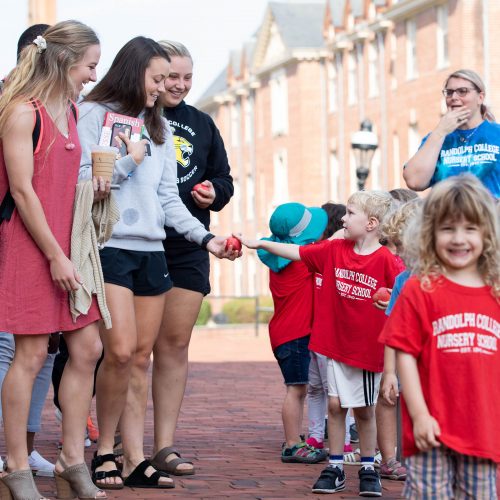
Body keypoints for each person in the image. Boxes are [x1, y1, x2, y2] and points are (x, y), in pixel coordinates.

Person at [77, 36, 238, 491]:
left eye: (171, 78)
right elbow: (89, 181)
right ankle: (103, 450)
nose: (165, 86)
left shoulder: (158, 126)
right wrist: (128, 161)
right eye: (159, 78)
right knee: (121, 350)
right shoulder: (91, 114)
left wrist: (207, 238)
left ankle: (134, 458)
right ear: (136, 74)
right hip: (110, 245)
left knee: (139, 359)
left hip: (154, 251)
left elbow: (168, 198)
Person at [0, 20, 105, 500]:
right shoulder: (24, 112)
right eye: (89, 66)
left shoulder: (72, 110)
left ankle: (70, 459)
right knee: (31, 355)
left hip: (71, 246)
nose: (91, 75)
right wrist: (55, 256)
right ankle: (17, 468)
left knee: (88, 350)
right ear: (64, 61)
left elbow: (65, 179)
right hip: (33, 247)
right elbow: (22, 190)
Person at [239, 190, 399, 497]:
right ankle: (335, 466)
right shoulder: (334, 249)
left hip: (365, 350)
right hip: (332, 345)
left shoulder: (387, 261)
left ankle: (368, 468)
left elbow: (407, 294)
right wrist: (260, 243)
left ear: (372, 223)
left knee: (364, 410)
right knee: (335, 406)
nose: (343, 218)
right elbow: (297, 254)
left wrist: (392, 300)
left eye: (351, 213)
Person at [380, 174, 499, 499]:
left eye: (470, 229)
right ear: (429, 233)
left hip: (482, 429)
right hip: (430, 429)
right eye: (448, 228)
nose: (459, 239)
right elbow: (404, 352)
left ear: (487, 233)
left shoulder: (496, 292)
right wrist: (418, 415)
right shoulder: (420, 289)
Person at [149, 40, 234, 476]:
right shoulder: (137, 115)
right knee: (130, 349)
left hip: (190, 245)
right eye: (171, 77)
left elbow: (224, 178)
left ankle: (164, 444)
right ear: (154, 76)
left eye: (187, 77)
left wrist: (213, 192)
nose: (180, 85)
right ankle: (124, 440)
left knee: (174, 344)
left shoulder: (201, 123)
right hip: (141, 243)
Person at [0, 22, 57, 479]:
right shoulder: (15, 106)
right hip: (13, 234)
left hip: (43, 234)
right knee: (11, 349)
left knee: (41, 351)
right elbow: (20, 186)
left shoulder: (60, 108)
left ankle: (25, 447)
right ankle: (11, 453)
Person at [257, 202, 327, 464]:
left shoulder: (279, 258)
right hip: (296, 335)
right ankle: (292, 444)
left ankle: (293, 439)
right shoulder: (301, 261)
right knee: (296, 390)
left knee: (296, 388)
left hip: (284, 332)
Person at [376, 198, 422, 482]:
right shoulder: (404, 280)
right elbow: (394, 327)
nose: (397, 254)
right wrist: (390, 372)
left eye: (401, 246)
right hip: (410, 365)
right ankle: (400, 461)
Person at [404, 69, 499, 198]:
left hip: (489, 216)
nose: (454, 97)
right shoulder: (436, 138)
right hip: (446, 216)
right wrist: (440, 132)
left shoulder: (496, 134)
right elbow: (414, 181)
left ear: (480, 97)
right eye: (449, 93)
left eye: (462, 91)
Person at [305, 202, 354, 453]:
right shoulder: (319, 252)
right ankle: (314, 435)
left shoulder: (341, 254)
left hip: (332, 335)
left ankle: (343, 441)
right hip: (315, 332)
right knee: (314, 387)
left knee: (335, 391)